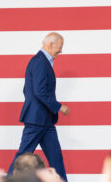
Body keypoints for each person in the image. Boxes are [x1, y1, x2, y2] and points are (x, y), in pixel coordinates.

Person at [8, 32, 70, 181]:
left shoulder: (42, 62)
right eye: (60, 47)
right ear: (50, 45)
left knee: (56, 158)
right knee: (23, 156)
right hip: (36, 120)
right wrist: (58, 106)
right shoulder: (40, 62)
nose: (61, 51)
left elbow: (28, 90)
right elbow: (39, 91)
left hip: (45, 120)